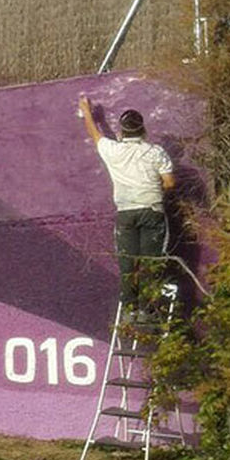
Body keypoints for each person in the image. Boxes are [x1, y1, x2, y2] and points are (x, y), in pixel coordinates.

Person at [78, 95, 176, 314]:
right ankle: (148, 311)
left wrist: (86, 111)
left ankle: (130, 309)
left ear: (121, 132)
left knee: (127, 263)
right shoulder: (155, 152)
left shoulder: (114, 151)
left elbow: (96, 135)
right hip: (151, 210)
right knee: (151, 263)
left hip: (125, 213)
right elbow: (170, 183)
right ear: (143, 131)